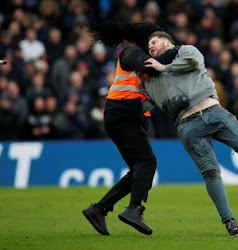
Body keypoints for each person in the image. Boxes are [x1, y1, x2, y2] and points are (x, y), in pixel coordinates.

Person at [142, 31, 238, 236]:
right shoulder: (149, 79)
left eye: (154, 42)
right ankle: (229, 221)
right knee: (211, 172)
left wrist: (164, 66)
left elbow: (193, 63)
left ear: (167, 41)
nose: (150, 46)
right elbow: (144, 105)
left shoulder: (186, 51)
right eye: (148, 45)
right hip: (187, 125)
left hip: (214, 111)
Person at [82, 7, 179, 236]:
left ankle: (99, 209)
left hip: (129, 115)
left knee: (138, 169)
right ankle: (134, 209)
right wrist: (179, 51)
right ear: (145, 42)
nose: (154, 45)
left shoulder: (147, 58)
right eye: (152, 41)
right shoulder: (130, 53)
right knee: (147, 163)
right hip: (121, 112)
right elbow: (150, 69)